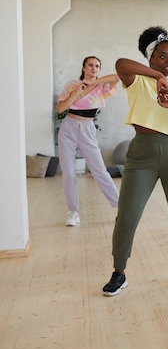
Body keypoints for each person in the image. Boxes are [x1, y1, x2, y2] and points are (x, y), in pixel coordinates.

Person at [102, 26, 168, 296]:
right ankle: (119, 272)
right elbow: (121, 64)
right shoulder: (136, 81)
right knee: (127, 215)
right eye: (162, 56)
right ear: (150, 58)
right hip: (141, 155)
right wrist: (157, 76)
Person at [56, 56, 120, 226]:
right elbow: (60, 108)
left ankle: (120, 207)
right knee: (69, 173)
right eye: (90, 65)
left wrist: (93, 83)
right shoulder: (72, 84)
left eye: (97, 66)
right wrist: (76, 93)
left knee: (99, 171)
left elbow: (117, 77)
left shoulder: (102, 87)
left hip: (87, 129)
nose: (94, 68)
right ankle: (72, 212)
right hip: (68, 128)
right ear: (83, 67)